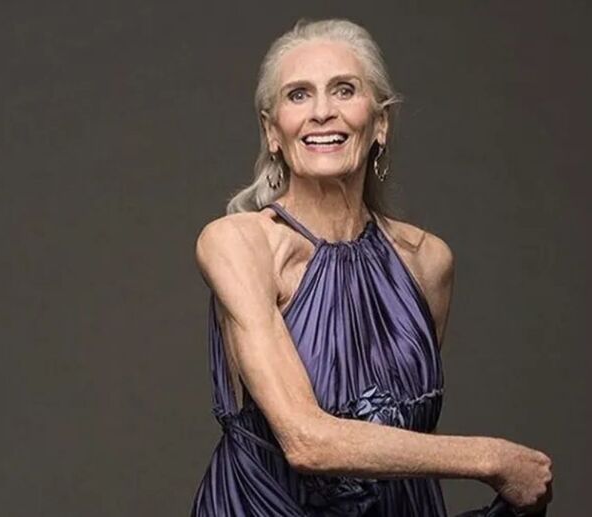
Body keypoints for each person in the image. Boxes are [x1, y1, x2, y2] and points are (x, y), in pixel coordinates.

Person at [189, 18, 552, 517]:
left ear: (380, 123)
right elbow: (306, 441)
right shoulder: (239, 244)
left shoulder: (426, 262)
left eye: (344, 89)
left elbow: (406, 442)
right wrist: (493, 459)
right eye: (299, 95)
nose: (322, 111)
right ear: (272, 132)